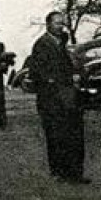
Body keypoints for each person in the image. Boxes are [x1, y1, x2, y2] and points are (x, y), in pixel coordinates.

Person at [30, 11, 89, 184]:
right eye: (57, 23)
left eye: (62, 23)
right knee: (56, 137)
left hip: (68, 99)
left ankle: (75, 172)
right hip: (51, 101)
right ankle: (59, 172)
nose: (60, 26)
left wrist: (76, 74)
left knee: (73, 136)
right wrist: (59, 80)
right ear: (48, 24)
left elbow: (71, 68)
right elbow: (39, 73)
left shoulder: (63, 45)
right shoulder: (42, 45)